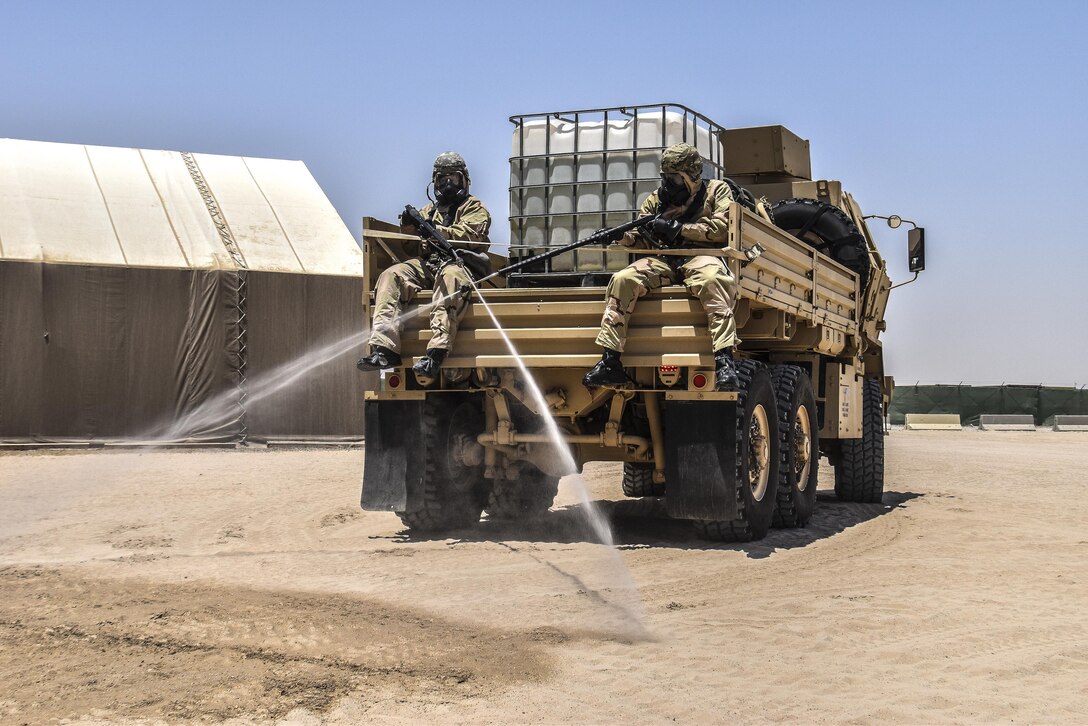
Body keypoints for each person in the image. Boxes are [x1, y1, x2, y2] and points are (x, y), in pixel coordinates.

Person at [582, 143, 740, 391]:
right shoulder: (656, 200)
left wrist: (680, 229)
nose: (669, 183)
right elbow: (639, 237)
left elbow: (722, 228)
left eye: (675, 177)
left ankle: (724, 360)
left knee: (713, 279)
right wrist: (618, 236)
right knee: (623, 279)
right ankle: (610, 360)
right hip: (664, 260)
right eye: (665, 177)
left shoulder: (716, 191)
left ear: (692, 175)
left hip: (700, 255)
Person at [357, 152, 492, 384]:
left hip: (459, 265)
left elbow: (472, 235)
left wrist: (435, 230)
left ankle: (436, 351)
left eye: (453, 179)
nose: (448, 184)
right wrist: (410, 228)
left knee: (450, 277)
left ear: (464, 180)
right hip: (429, 266)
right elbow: (410, 248)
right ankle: (384, 349)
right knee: (392, 274)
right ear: (434, 182)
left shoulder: (474, 208)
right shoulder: (428, 211)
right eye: (442, 179)